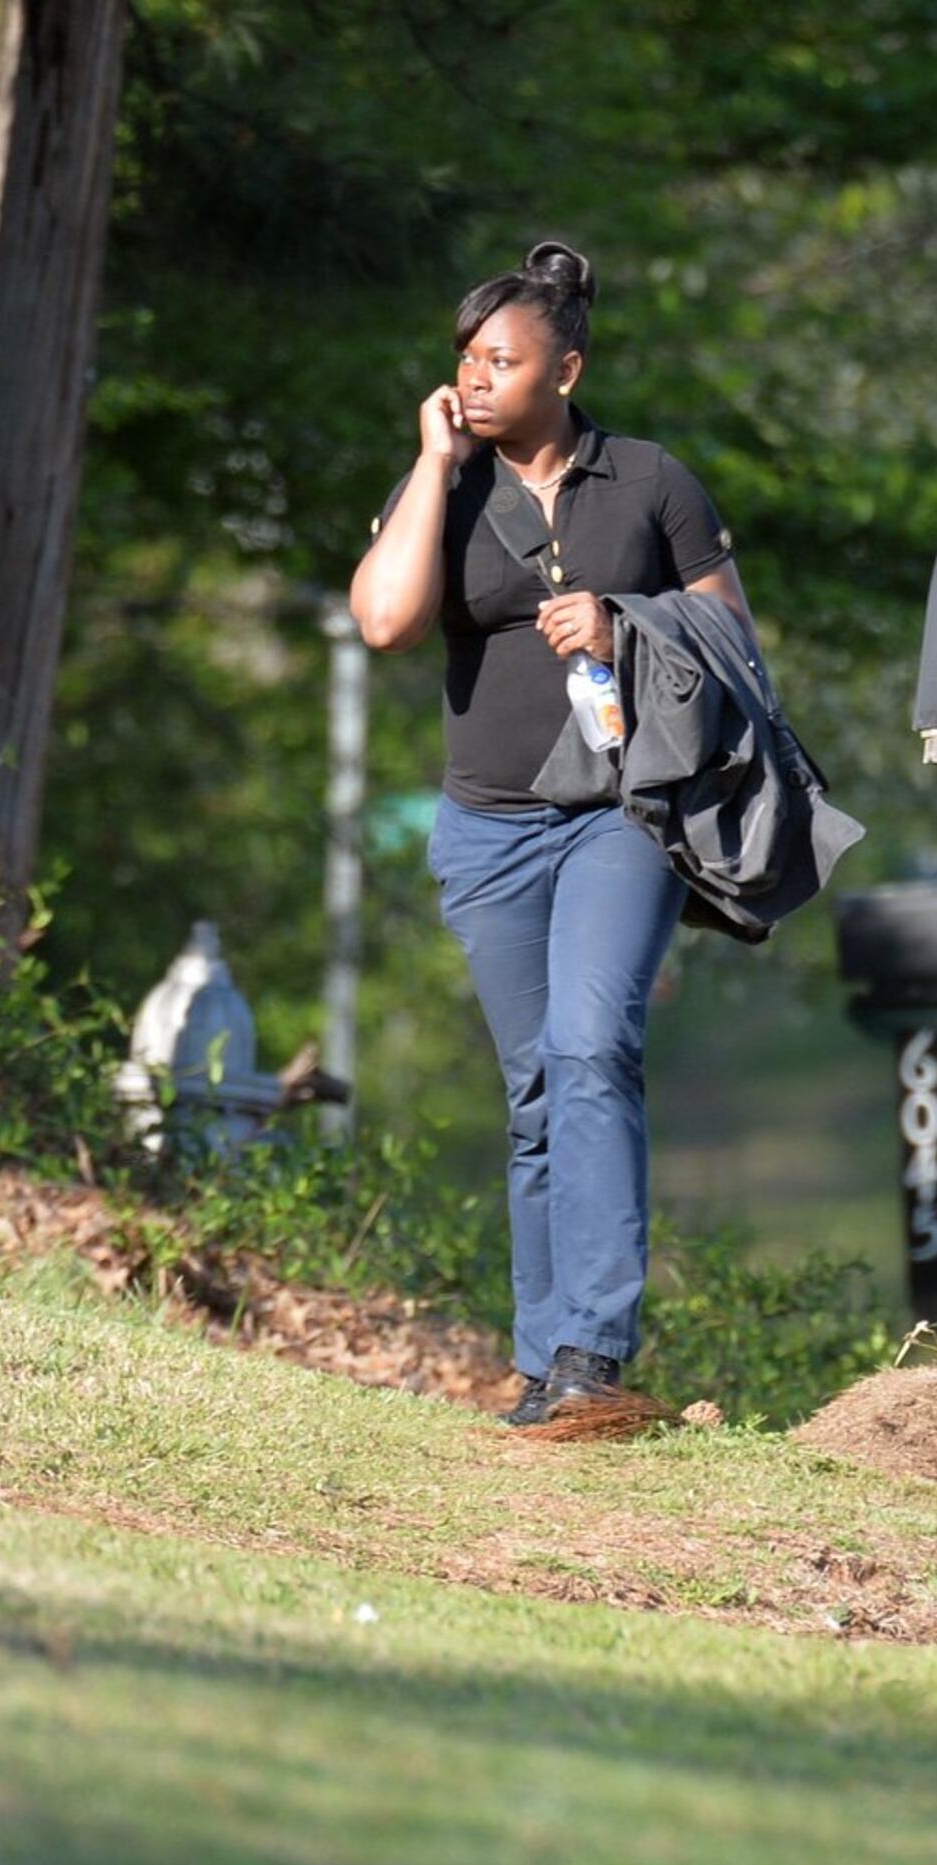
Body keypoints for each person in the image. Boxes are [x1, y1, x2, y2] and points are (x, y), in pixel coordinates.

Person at [347, 241, 759, 1426]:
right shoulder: (450, 484)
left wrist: (626, 623)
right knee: (532, 1087)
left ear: (565, 370)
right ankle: (540, 1369)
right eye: (465, 361)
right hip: (486, 832)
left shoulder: (652, 483)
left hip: (619, 817)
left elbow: (739, 648)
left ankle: (593, 1353)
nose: (474, 379)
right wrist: (433, 466)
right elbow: (384, 622)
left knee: (590, 1049)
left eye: (501, 361)